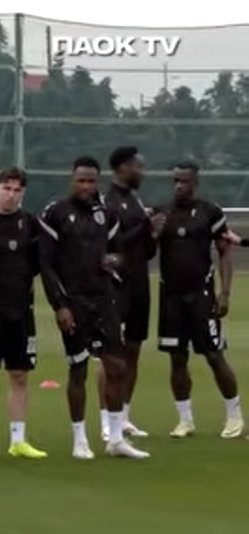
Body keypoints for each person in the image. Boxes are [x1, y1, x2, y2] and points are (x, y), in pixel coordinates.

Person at [37, 156, 148, 459]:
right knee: (78, 369)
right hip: (73, 302)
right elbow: (46, 264)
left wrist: (112, 262)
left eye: (91, 181)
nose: (86, 186)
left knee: (116, 366)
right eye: (81, 181)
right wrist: (60, 305)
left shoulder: (106, 215)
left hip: (104, 299)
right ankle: (79, 440)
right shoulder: (55, 213)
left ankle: (115, 438)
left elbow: (117, 254)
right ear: (72, 180)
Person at [156, 161, 243, 439]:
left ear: (195, 182)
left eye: (184, 181)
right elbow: (146, 249)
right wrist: (150, 232)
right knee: (177, 358)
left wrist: (225, 292)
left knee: (214, 355)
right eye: (175, 180)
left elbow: (225, 251)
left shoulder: (210, 212)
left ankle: (234, 416)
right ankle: (185, 420)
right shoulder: (162, 213)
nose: (178, 186)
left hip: (201, 295)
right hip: (170, 296)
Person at [0, 168, 47, 460]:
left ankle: (18, 440)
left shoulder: (30, 224)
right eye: (7, 188)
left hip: (21, 308)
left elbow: (38, 263)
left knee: (20, 374)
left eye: (17, 190)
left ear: (22, 193)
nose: (11, 195)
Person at [97, 147, 154, 441]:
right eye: (136, 165)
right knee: (111, 356)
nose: (141, 171)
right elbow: (113, 245)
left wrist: (153, 232)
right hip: (116, 286)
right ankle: (106, 421)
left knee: (133, 350)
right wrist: (144, 227)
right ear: (122, 167)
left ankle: (124, 417)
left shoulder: (135, 200)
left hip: (139, 283)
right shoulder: (107, 202)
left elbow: (145, 249)